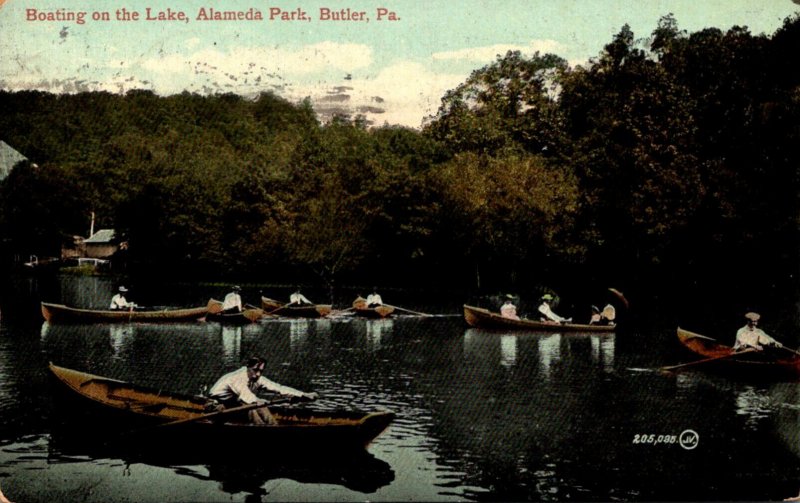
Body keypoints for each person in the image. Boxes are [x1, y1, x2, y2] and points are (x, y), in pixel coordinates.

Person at [207, 356, 318, 425]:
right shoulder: (237, 378)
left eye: (261, 371)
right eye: (255, 370)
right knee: (252, 408)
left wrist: (303, 394)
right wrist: (256, 400)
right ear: (247, 367)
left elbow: (279, 388)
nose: (258, 374)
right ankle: (260, 429)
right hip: (214, 407)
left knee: (259, 406)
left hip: (231, 405)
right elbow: (245, 395)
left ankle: (273, 426)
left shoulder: (257, 378)